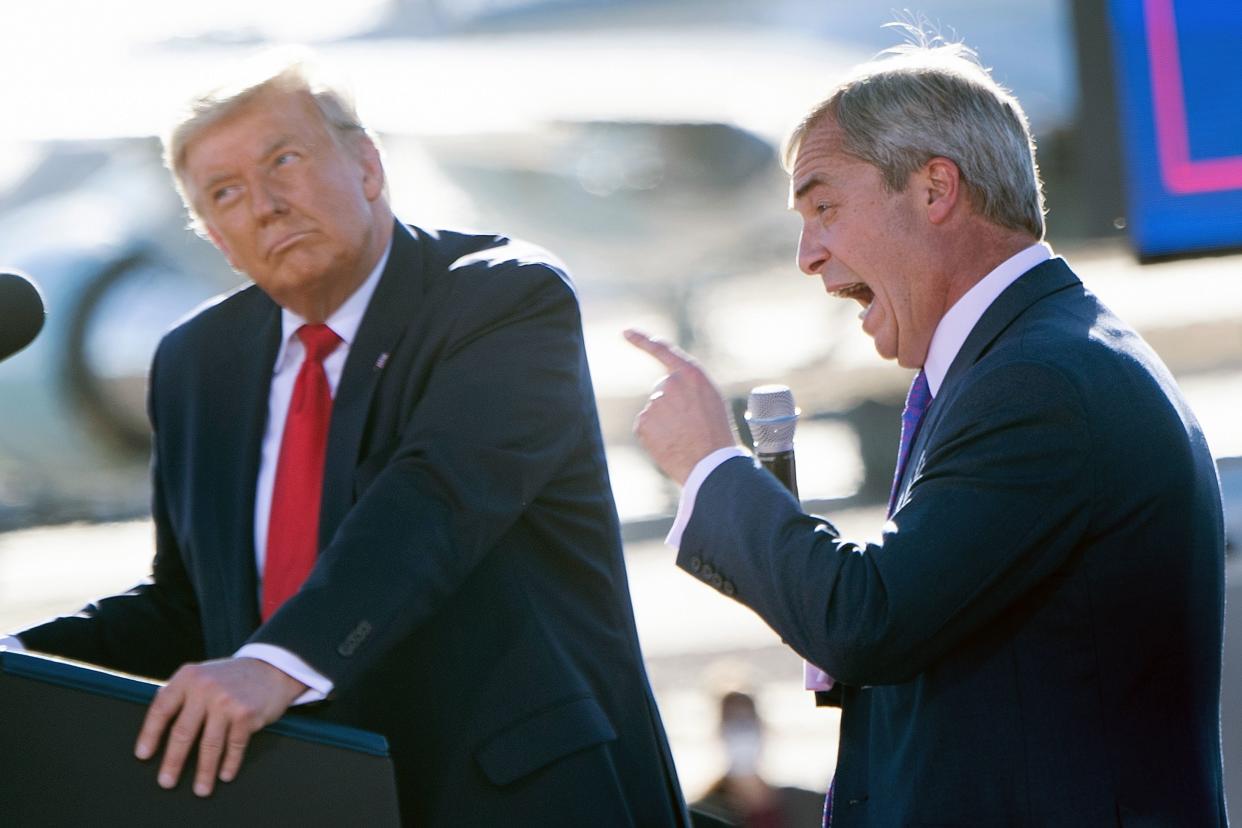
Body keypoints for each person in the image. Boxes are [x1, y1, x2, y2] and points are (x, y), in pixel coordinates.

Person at [5, 56, 688, 826]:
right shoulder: (196, 361)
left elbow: (435, 502)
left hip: (517, 796)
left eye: (284, 162)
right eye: (225, 194)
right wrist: (18, 662)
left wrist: (273, 664)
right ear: (217, 240)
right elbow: (190, 606)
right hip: (301, 798)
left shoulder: (504, 296)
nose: (264, 205)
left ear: (367, 165)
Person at [626, 34, 1227, 826]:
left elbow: (869, 619)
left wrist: (710, 466)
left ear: (936, 188)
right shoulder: (1030, 358)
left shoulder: (1038, 381)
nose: (808, 255)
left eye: (825, 206)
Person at [692, 690, 825, 828]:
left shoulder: (806, 804)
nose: (742, 734)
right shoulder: (704, 813)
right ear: (719, 733)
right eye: (733, 723)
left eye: (746, 722)